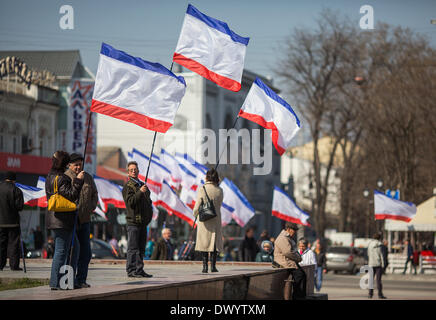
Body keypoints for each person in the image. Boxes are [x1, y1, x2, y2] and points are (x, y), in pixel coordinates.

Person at [45, 151, 84, 290]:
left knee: (74, 249)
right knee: (61, 251)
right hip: (62, 219)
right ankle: (56, 283)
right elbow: (72, 195)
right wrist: (78, 181)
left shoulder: (50, 176)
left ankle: (67, 280)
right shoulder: (62, 178)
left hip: (56, 218)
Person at [65, 153, 98, 288]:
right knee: (72, 252)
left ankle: (81, 279)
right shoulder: (66, 177)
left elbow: (94, 194)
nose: (78, 167)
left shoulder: (88, 177)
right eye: (76, 165)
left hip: (85, 220)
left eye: (80, 164)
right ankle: (69, 280)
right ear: (69, 165)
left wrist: (91, 207)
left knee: (86, 253)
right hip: (71, 220)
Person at [122, 161, 153, 278]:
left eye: (135, 169)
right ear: (128, 172)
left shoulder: (141, 185)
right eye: (131, 170)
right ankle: (131, 270)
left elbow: (148, 201)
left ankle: (139, 269)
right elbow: (130, 202)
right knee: (133, 248)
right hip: (133, 222)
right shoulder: (128, 186)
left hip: (143, 222)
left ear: (138, 171)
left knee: (141, 248)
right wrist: (140, 192)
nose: (134, 171)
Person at [193, 168, 224, 273]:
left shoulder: (202, 188)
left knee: (204, 242)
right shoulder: (219, 190)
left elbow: (198, 204)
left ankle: (205, 266)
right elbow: (219, 203)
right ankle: (213, 266)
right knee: (214, 243)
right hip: (216, 218)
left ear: (207, 177)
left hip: (205, 219)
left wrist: (195, 213)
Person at [273, 222, 306, 300]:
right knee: (300, 275)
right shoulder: (283, 238)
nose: (295, 232)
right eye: (294, 230)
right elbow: (287, 252)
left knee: (302, 275)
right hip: (284, 262)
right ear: (288, 229)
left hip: (289, 262)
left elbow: (293, 251)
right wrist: (298, 258)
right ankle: (298, 297)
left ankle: (300, 296)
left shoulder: (288, 238)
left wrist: (298, 257)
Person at [0, 171, 24, 271]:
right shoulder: (16, 190)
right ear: (14, 179)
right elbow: (20, 207)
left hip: (0, 222)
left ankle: (0, 265)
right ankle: (14, 266)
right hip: (13, 222)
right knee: (14, 244)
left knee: (1, 244)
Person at [367, 233, 386, 299]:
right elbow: (382, 256)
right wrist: (383, 265)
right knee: (378, 281)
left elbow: (368, 254)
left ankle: (370, 294)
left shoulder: (369, 244)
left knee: (371, 280)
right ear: (379, 238)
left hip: (371, 263)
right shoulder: (380, 245)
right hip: (378, 264)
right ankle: (380, 294)